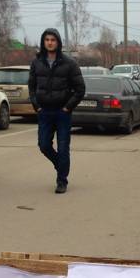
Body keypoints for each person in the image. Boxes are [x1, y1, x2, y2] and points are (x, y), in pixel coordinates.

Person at [28, 27, 85, 193]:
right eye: (47, 40)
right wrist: (37, 106)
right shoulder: (37, 62)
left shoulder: (69, 63)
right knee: (44, 145)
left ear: (58, 42)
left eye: (53, 40)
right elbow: (31, 87)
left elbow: (80, 89)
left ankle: (62, 181)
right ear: (43, 42)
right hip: (44, 112)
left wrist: (68, 107)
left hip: (62, 113)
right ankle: (60, 165)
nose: (50, 43)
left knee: (63, 147)